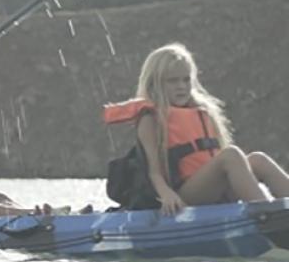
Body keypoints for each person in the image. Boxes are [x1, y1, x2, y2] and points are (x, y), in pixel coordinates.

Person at [104, 43, 289, 215]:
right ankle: (268, 217)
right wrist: (166, 194)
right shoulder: (150, 118)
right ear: (155, 83)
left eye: (186, 80)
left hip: (214, 187)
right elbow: (153, 171)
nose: (182, 87)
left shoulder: (202, 112)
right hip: (184, 193)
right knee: (231, 155)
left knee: (258, 160)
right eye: (173, 81)